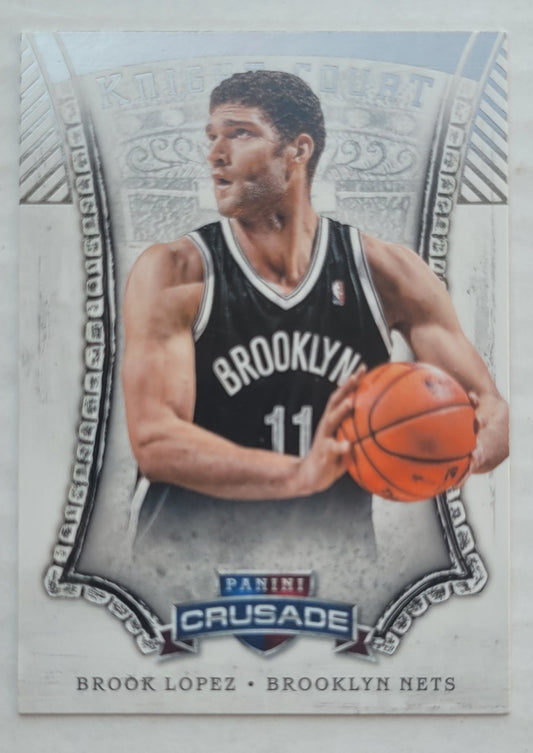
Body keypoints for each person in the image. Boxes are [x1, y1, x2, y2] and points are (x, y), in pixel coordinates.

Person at [121, 71, 508, 604]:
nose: (215, 154)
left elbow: (488, 405)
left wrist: (473, 445)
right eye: (210, 137)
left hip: (332, 580)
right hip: (189, 577)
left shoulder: (386, 272)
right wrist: (299, 475)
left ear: (298, 150)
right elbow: (155, 441)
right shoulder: (176, 272)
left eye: (239, 133)